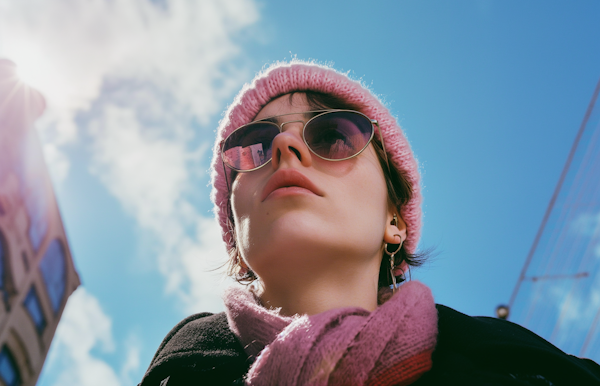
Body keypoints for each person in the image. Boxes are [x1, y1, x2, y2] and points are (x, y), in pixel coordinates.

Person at [139, 62, 600, 386]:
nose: (284, 145)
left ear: (394, 221)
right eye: (255, 145)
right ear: (236, 240)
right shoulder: (177, 371)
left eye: (333, 135)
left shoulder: (530, 366)